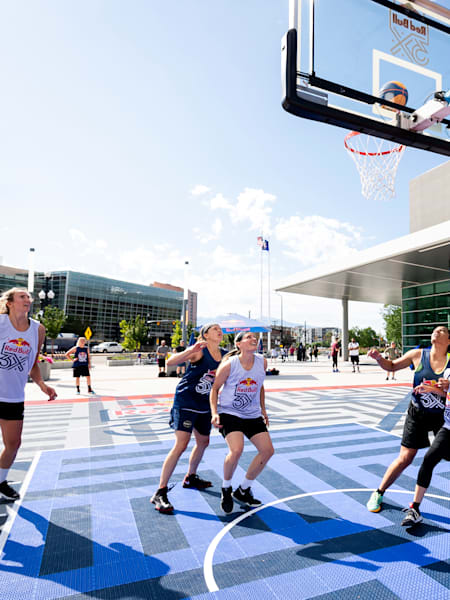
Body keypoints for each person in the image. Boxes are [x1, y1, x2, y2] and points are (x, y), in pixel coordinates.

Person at [366, 325, 450, 513]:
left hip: (441, 417)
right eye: (434, 330)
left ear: (449, 341)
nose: (436, 331)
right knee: (405, 457)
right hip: (417, 413)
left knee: (445, 455)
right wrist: (380, 358)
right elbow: (392, 366)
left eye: (442, 330)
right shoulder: (418, 355)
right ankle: (379, 492)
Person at [150, 324, 226, 513]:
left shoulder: (225, 355)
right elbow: (170, 363)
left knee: (203, 442)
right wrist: (189, 351)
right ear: (205, 335)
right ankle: (160, 491)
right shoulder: (199, 351)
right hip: (185, 401)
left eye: (220, 328)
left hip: (205, 404)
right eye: (215, 328)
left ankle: (190, 477)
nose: (219, 330)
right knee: (181, 444)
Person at [0, 287, 57, 500]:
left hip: (13, 396)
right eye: (22, 296)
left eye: (28, 297)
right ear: (10, 302)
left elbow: (33, 363)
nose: (27, 299)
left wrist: (42, 384)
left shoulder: (37, 329)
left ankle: (1, 481)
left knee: (13, 444)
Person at [210, 331, 274, 513]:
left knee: (268, 451)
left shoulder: (262, 361)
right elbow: (214, 389)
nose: (254, 339)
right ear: (238, 344)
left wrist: (263, 409)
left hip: (252, 414)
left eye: (255, 337)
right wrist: (215, 413)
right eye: (248, 337)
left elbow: (260, 385)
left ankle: (244, 489)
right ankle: (226, 487)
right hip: (230, 413)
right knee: (237, 450)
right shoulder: (230, 365)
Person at [400, 372, 450, 526]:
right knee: (428, 460)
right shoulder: (448, 372)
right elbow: (446, 394)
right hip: (448, 427)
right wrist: (433, 390)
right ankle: (415, 509)